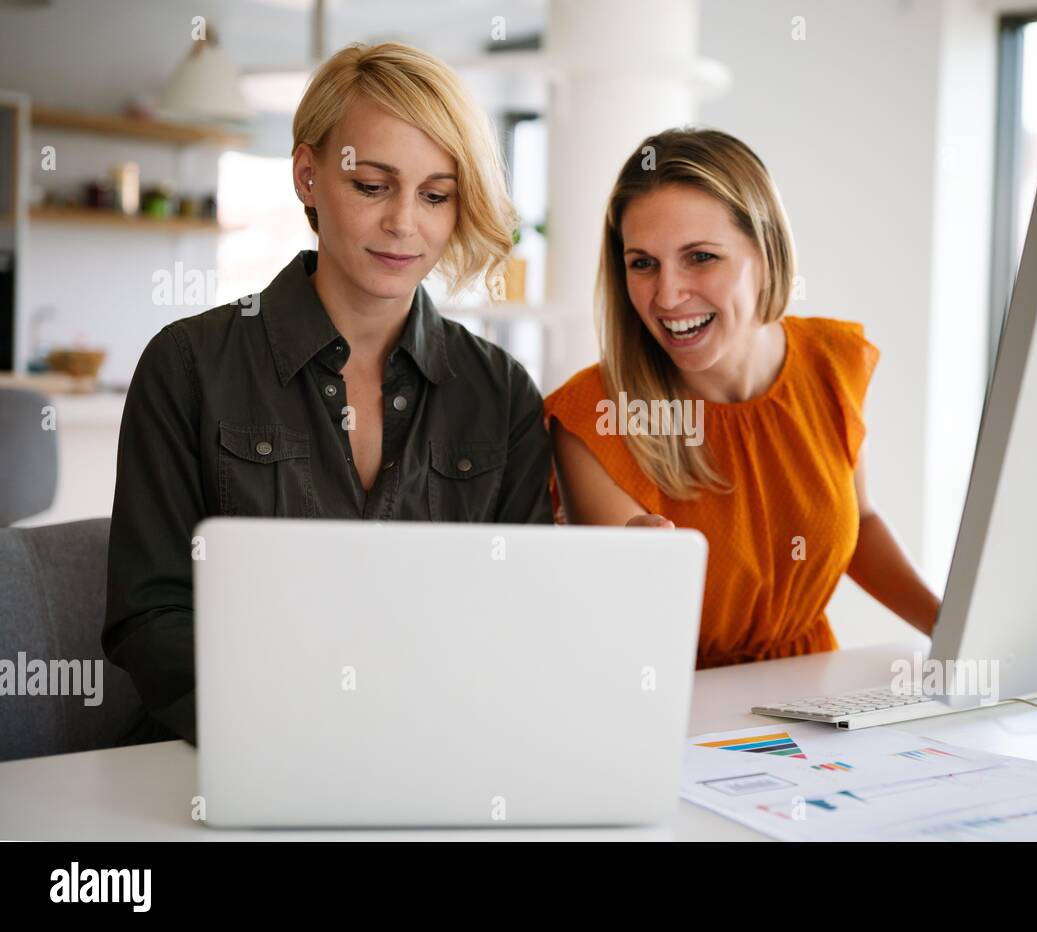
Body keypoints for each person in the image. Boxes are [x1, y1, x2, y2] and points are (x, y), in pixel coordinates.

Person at [103, 42, 551, 746]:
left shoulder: (502, 394)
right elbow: (150, 617)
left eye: (436, 195)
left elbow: (523, 614)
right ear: (308, 176)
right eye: (371, 185)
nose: (405, 223)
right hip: (226, 754)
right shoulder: (187, 365)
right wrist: (294, 732)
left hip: (431, 750)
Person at [545, 127, 941, 670]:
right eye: (643, 263)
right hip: (671, 706)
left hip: (812, 693)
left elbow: (862, 524)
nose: (667, 295)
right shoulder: (592, 417)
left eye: (700, 257)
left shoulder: (830, 360)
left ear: (765, 252)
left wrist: (951, 629)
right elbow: (626, 626)